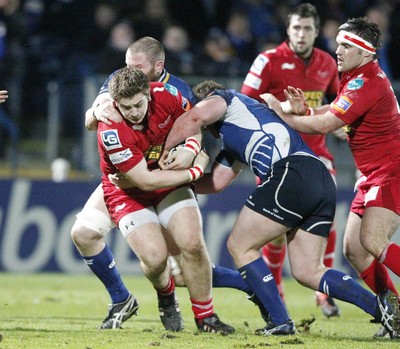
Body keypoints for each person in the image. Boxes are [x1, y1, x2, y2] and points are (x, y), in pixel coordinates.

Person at [160, 80, 400, 338]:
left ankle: (280, 321)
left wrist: (163, 153)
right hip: (318, 178)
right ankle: (381, 307)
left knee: (239, 246)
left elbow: (195, 117)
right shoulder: (234, 135)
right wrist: (176, 181)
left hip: (291, 173)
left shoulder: (224, 98)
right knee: (307, 270)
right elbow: (216, 183)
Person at [71, 36, 241, 331]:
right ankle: (162, 296)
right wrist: (194, 172)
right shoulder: (113, 110)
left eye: (138, 104)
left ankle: (207, 317)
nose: (133, 111)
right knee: (153, 258)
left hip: (165, 176)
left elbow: (194, 126)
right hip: (130, 182)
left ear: (151, 88)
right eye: (126, 106)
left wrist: (190, 148)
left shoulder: (174, 93)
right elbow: (142, 179)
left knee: (191, 245)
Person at [261, 16, 400, 338]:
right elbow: (332, 111)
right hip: (371, 174)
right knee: (354, 249)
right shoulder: (354, 77)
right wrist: (305, 111)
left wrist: (282, 116)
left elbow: (328, 126)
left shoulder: (367, 82)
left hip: (391, 172)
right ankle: (393, 309)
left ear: (365, 53)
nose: (337, 50)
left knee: (373, 241)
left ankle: (394, 307)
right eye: (337, 43)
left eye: (346, 46)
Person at [241, 2, 341, 318]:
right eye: (296, 27)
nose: (301, 34)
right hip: (277, 158)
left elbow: (341, 103)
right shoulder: (268, 61)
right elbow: (244, 101)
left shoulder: (327, 63)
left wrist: (344, 125)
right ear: (288, 30)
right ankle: (278, 293)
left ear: (316, 30)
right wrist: (280, 107)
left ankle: (322, 291)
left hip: (317, 156)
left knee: (329, 222)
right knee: (273, 235)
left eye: (308, 28)